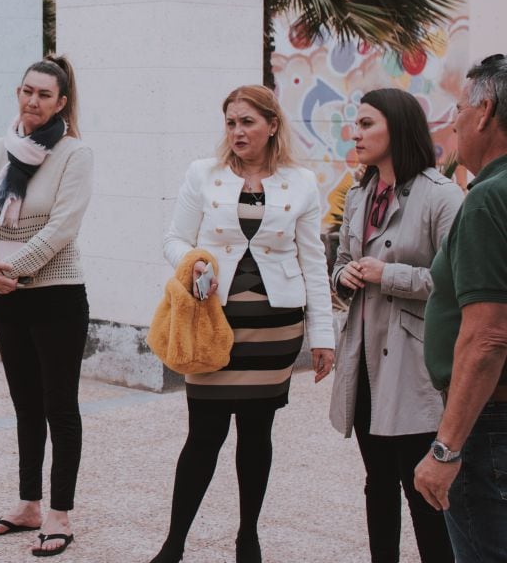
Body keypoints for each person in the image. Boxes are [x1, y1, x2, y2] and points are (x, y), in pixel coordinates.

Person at [151, 85, 335, 563]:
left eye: (248, 122)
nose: (237, 131)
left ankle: (247, 536)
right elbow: (173, 238)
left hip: (275, 331)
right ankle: (174, 544)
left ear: (272, 125)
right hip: (212, 327)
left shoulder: (301, 182)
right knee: (203, 436)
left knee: (257, 434)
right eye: (231, 122)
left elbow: (313, 263)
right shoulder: (202, 174)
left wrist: (323, 337)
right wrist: (192, 261)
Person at [0, 55, 93, 557]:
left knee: (59, 405)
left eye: (44, 94)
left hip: (57, 294)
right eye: (26, 91)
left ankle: (60, 512)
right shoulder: (0, 149)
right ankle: (28, 505)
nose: (33, 101)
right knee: (24, 404)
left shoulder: (74, 154)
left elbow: (62, 227)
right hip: (6, 295)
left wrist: (11, 267)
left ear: (61, 102)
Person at [329, 88, 461, 563]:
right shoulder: (360, 192)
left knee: (421, 490)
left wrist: (390, 275)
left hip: (414, 366)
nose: (356, 133)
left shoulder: (443, 197)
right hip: (364, 362)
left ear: (397, 127)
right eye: (355, 124)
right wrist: (343, 274)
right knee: (376, 482)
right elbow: (343, 260)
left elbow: (459, 283)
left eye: (366, 124)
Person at [415, 54, 507, 562]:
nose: (453, 122)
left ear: (485, 110)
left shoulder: (489, 198)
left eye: (458, 109)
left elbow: (489, 336)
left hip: (490, 423)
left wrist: (446, 449)